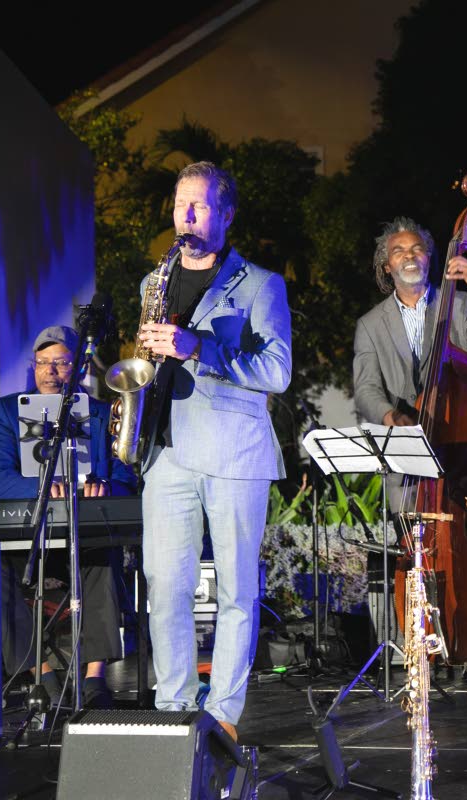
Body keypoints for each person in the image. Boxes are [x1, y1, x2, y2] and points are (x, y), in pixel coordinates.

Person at [135, 161, 292, 741]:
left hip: (234, 454)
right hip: (166, 452)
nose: (188, 216)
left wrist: (196, 346)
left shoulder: (260, 283)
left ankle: (223, 712)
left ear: (226, 215)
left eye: (200, 206)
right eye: (181, 206)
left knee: (235, 592)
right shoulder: (154, 284)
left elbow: (276, 371)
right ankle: (174, 707)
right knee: (165, 588)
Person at [0, 324, 136, 708]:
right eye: (42, 363)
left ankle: (95, 680)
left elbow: (124, 477)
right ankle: (41, 676)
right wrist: (42, 489)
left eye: (61, 362)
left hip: (84, 531)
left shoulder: (102, 413)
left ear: (79, 368)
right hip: (29, 531)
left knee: (103, 556)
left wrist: (105, 487)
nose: (50, 371)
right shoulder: (6, 409)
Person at [352, 216, 467, 429]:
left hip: (459, 428)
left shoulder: (461, 305)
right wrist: (391, 416)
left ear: (427, 257)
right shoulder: (369, 325)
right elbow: (366, 389)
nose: (409, 255)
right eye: (398, 251)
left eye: (417, 249)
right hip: (406, 440)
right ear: (387, 267)